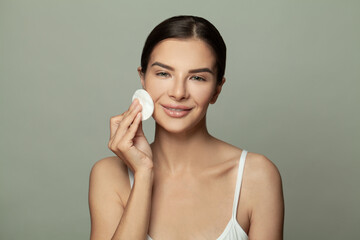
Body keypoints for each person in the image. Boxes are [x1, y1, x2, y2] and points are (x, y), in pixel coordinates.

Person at [88, 15, 284, 240]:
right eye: (163, 73)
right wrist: (143, 174)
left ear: (217, 89)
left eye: (198, 78)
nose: (178, 92)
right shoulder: (110, 175)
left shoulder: (256, 176)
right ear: (143, 79)